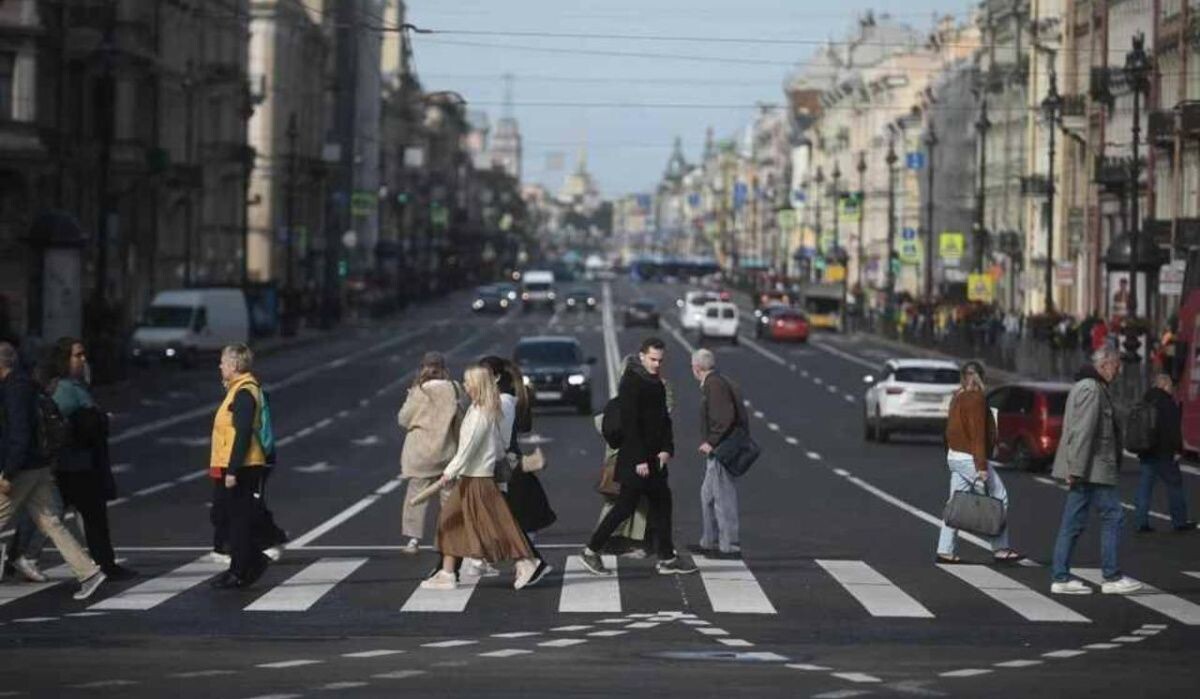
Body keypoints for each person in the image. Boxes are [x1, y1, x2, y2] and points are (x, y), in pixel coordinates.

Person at [9, 339, 135, 581]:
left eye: (83, 354)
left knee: (51, 516)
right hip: (71, 465)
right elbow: (55, 422)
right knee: (54, 516)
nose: (83, 359)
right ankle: (99, 565)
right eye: (78, 355)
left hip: (76, 464)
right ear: (65, 359)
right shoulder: (65, 389)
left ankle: (97, 564)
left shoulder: (75, 386)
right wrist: (96, 421)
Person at [420, 366, 543, 591]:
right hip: (474, 477)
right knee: (452, 522)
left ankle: (526, 562)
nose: (465, 386)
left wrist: (449, 472)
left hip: (476, 479)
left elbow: (467, 449)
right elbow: (497, 445)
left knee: (496, 528)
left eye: (468, 383)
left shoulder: (480, 414)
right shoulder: (483, 409)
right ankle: (447, 573)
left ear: (478, 385)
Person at [580, 337, 696, 576]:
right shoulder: (632, 383)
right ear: (642, 356)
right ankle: (591, 551)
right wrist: (639, 459)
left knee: (660, 503)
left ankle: (666, 557)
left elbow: (663, 421)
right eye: (652, 359)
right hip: (638, 461)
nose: (656, 364)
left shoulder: (655, 382)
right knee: (624, 508)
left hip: (654, 460)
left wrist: (667, 448)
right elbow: (630, 425)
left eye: (660, 361)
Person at [0, 341, 106, 600]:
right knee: (51, 523)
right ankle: (89, 573)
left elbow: (19, 433)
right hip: (40, 465)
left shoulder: (14, 389)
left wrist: (8, 473)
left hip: (23, 467)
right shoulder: (27, 384)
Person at [1049, 347, 1143, 595]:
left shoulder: (1088, 386)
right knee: (1113, 516)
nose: (1119, 371)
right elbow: (1083, 431)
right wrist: (1077, 470)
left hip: (1089, 469)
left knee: (1072, 523)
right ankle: (1110, 577)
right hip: (1093, 469)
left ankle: (1061, 577)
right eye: (1116, 365)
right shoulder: (1091, 388)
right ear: (1104, 364)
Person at [936, 361, 1020, 564]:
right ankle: (1000, 548)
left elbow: (950, 431)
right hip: (969, 458)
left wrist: (951, 455)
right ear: (981, 377)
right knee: (999, 497)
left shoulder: (957, 396)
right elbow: (977, 435)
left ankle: (945, 549)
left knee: (955, 503)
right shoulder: (976, 398)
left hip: (955, 456)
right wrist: (981, 467)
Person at [208, 344, 273, 589]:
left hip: (242, 466)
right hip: (234, 463)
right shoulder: (237, 389)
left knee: (237, 520)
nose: (220, 366)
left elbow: (243, 433)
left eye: (223, 362)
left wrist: (233, 470)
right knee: (230, 517)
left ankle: (243, 568)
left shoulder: (244, 392)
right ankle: (244, 564)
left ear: (235, 366)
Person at [397, 352, 466, 555]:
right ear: (443, 368)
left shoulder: (418, 391)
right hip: (447, 451)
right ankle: (449, 537)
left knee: (416, 497)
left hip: (420, 454)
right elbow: (462, 419)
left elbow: (403, 419)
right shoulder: (454, 388)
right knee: (449, 497)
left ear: (423, 368)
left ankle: (413, 540)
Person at [688, 348, 743, 559]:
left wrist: (711, 442)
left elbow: (724, 418)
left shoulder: (714, 385)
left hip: (721, 450)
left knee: (722, 497)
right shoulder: (713, 383)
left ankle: (729, 545)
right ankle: (709, 541)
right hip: (718, 449)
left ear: (696, 368)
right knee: (707, 496)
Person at [1133, 372, 1197, 533]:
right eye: (1170, 386)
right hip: (1165, 453)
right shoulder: (1168, 403)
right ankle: (1179, 522)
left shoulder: (1145, 400)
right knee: (1175, 487)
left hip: (1147, 450)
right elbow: (1173, 430)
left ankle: (1141, 523)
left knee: (1144, 488)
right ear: (1165, 386)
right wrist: (1178, 449)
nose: (1172, 389)